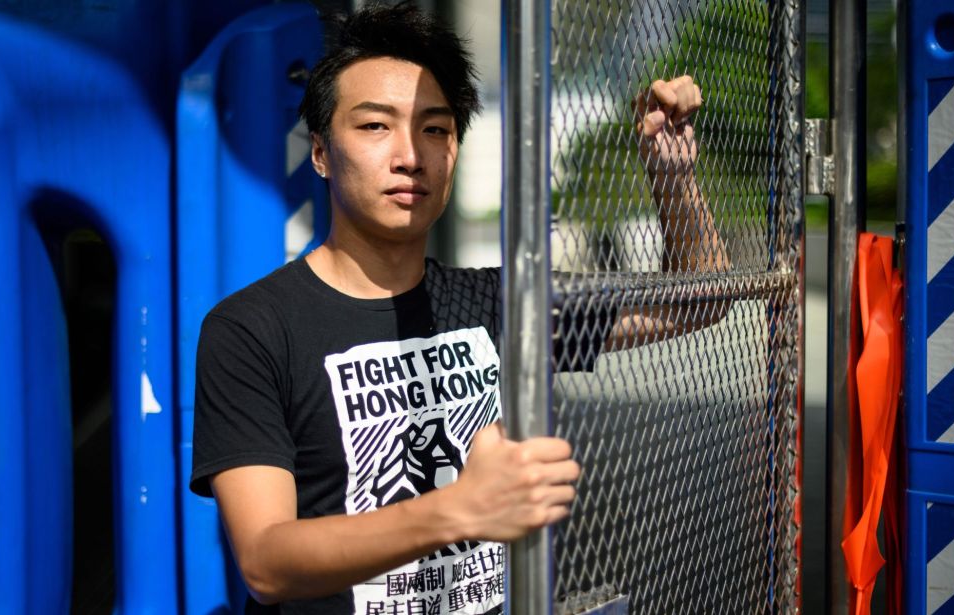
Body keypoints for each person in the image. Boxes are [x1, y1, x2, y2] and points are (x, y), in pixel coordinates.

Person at [189, 3, 727, 614]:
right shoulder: (252, 329)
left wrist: (674, 174)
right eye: (374, 126)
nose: (410, 155)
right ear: (319, 152)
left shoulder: (496, 302)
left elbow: (700, 302)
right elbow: (267, 561)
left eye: (435, 129)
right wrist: (455, 510)